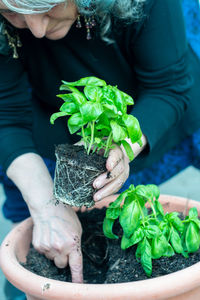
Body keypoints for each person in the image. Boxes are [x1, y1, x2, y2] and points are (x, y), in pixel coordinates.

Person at [0, 0, 200, 292]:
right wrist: (46, 207)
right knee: (39, 241)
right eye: (10, 12)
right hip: (43, 122)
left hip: (150, 104)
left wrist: (122, 147)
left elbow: (168, 84)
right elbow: (6, 116)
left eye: (48, 7)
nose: (36, 29)